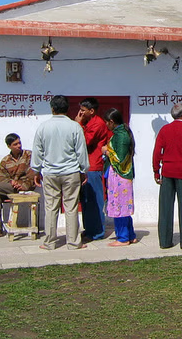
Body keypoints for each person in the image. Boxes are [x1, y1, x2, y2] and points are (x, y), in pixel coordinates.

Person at [31, 95, 89, 250]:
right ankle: (73, 242)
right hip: (71, 172)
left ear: (52, 108)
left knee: (51, 207)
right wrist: (83, 170)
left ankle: (49, 242)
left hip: (50, 172)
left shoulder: (43, 127)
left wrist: (36, 170)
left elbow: (37, 151)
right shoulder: (74, 127)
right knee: (71, 207)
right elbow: (81, 151)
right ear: (67, 109)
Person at [153, 103, 182, 249]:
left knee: (165, 208)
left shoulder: (164, 129)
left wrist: (156, 170)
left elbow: (157, 151)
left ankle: (165, 241)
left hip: (167, 172)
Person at [76, 97, 112, 241]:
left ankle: (97, 231)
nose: (80, 113)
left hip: (94, 166)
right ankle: (89, 228)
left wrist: (78, 125)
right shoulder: (88, 123)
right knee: (86, 200)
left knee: (95, 200)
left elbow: (84, 141)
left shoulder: (97, 124)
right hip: (86, 166)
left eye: (83, 111)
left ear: (91, 111)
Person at [102, 108, 137, 247]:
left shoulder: (121, 136)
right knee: (123, 205)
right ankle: (130, 234)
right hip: (119, 176)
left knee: (119, 205)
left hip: (120, 175)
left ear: (111, 122)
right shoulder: (120, 133)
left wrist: (106, 150)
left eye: (106, 122)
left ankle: (123, 237)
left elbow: (120, 158)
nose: (106, 125)